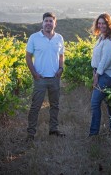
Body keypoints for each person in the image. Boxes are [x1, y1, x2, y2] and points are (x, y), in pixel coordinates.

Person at [25, 12, 65, 141]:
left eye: (50, 21)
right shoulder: (34, 37)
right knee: (35, 106)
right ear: (42, 23)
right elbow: (28, 56)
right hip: (40, 78)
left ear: (55, 23)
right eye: (46, 21)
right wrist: (34, 74)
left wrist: (61, 69)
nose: (48, 23)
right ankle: (31, 133)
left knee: (55, 105)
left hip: (54, 78)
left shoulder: (59, 38)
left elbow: (61, 55)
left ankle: (53, 129)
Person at [89, 13, 111, 136]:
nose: (101, 25)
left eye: (103, 23)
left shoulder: (110, 40)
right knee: (109, 103)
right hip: (100, 73)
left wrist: (97, 75)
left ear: (108, 24)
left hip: (106, 75)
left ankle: (93, 133)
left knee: (95, 103)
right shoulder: (102, 37)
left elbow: (106, 59)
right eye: (99, 23)